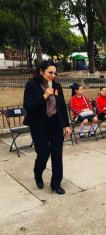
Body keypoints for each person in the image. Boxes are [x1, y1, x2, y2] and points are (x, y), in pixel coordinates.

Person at [23, 60, 71, 195]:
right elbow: (28, 106)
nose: (53, 75)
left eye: (55, 73)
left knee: (57, 154)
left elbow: (61, 107)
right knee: (43, 153)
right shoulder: (31, 86)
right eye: (50, 72)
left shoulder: (57, 86)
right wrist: (44, 96)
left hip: (55, 124)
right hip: (39, 125)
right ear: (41, 72)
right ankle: (38, 173)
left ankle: (56, 184)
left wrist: (66, 125)